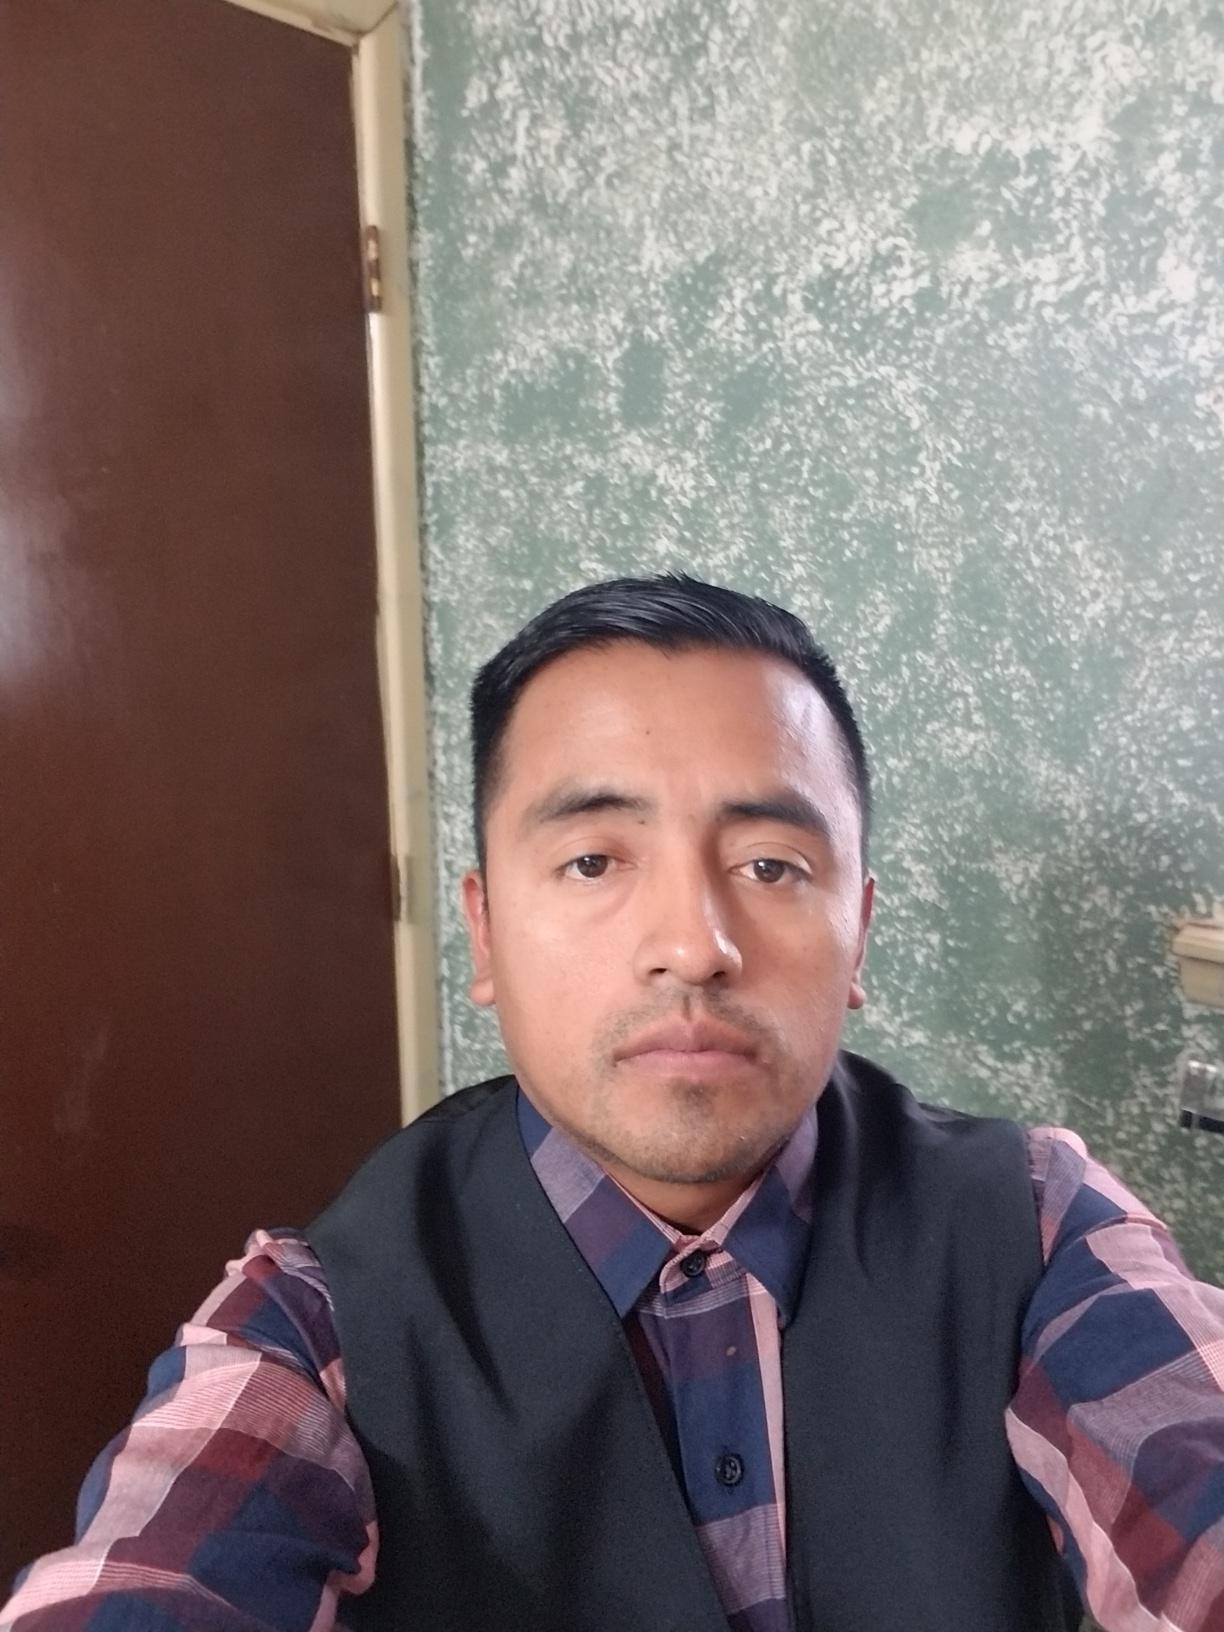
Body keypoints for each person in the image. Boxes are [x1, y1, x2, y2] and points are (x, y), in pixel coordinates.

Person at [4, 574, 1223, 1632]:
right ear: (486, 932)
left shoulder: (1035, 1226)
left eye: (771, 866)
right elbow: (158, 1575)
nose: (692, 946)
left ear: (858, 933)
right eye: (593, 860)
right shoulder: (319, 1325)